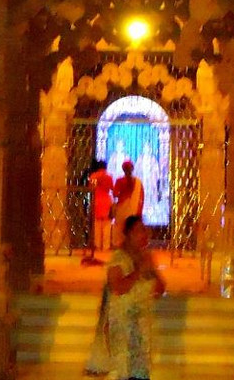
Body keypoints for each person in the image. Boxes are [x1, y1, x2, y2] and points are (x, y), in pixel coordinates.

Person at [105, 215, 166, 380]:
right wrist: (138, 270)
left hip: (141, 325)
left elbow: (160, 288)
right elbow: (117, 287)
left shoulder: (146, 257)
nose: (144, 234)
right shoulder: (118, 258)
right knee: (123, 369)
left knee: (140, 371)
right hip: (123, 324)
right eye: (140, 230)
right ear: (129, 234)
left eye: (145, 230)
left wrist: (152, 274)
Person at [112, 160, 144, 249]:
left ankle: (120, 246)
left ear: (123, 169)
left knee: (120, 227)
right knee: (131, 228)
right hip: (133, 209)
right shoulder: (138, 182)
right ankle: (131, 246)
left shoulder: (119, 181)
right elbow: (141, 198)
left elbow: (115, 194)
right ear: (132, 169)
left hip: (122, 207)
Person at [88, 159, 115, 261]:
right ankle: (106, 246)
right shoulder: (109, 177)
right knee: (106, 225)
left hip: (96, 201)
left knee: (97, 224)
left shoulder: (93, 176)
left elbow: (90, 188)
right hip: (106, 201)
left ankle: (98, 246)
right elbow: (112, 188)